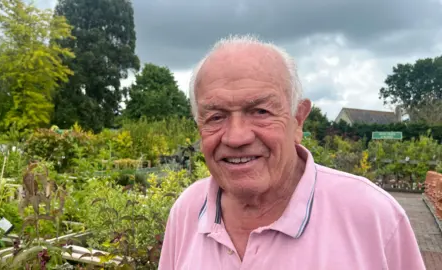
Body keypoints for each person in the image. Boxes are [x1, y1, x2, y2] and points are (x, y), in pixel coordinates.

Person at [158, 34, 425, 270]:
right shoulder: (187, 210)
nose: (236, 137)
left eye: (260, 111)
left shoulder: (373, 216)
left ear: (298, 120)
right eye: (216, 116)